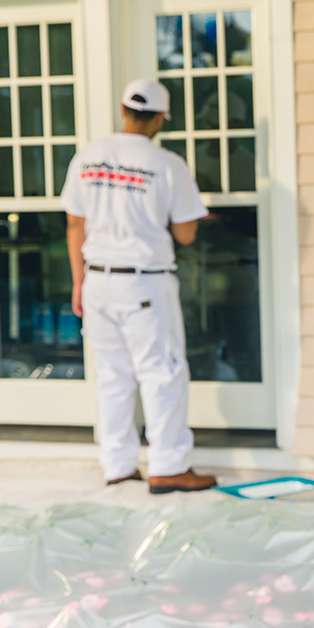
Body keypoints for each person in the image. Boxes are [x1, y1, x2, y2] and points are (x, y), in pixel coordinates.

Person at [62, 78, 218, 494]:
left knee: (112, 376)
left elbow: (75, 224)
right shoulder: (167, 164)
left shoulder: (87, 156)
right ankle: (167, 465)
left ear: (123, 109)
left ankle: (118, 465)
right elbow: (185, 234)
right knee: (161, 373)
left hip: (96, 280)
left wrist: (79, 281)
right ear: (161, 118)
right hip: (144, 284)